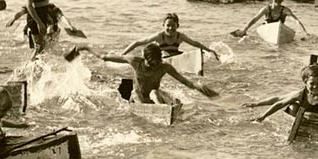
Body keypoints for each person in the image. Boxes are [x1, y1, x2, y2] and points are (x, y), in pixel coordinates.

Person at [79, 42, 217, 104]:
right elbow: (104, 57)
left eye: (156, 64)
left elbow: (185, 81)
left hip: (154, 95)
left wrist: (201, 89)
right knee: (138, 96)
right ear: (145, 59)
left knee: (154, 93)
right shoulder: (135, 61)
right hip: (137, 95)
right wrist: (86, 47)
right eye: (150, 65)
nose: (153, 68)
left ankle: (163, 110)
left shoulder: (164, 67)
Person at [121, 13, 219, 60]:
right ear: (163, 26)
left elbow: (195, 43)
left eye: (173, 25)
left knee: (197, 54)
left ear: (178, 26)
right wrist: (123, 54)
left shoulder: (180, 36)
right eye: (168, 25)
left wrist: (210, 51)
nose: (170, 28)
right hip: (160, 58)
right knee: (163, 53)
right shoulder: (159, 36)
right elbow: (138, 43)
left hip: (173, 57)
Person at [233, 0, 308, 37]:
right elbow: (255, 19)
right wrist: (245, 29)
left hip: (278, 33)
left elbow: (296, 21)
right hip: (267, 30)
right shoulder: (266, 9)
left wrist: (304, 32)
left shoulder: (285, 10)